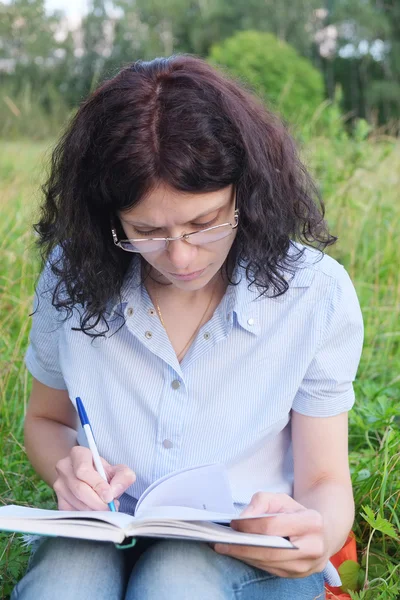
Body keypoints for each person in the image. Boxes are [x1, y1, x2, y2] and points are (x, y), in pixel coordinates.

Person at [11, 55, 363, 600]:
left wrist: (319, 535)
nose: (179, 257)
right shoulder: (74, 273)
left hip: (244, 545)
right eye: (145, 231)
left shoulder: (313, 294)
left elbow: (325, 482)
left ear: (246, 191)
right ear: (108, 218)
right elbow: (46, 420)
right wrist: (68, 466)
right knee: (64, 584)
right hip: (108, 526)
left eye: (205, 223)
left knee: (173, 580)